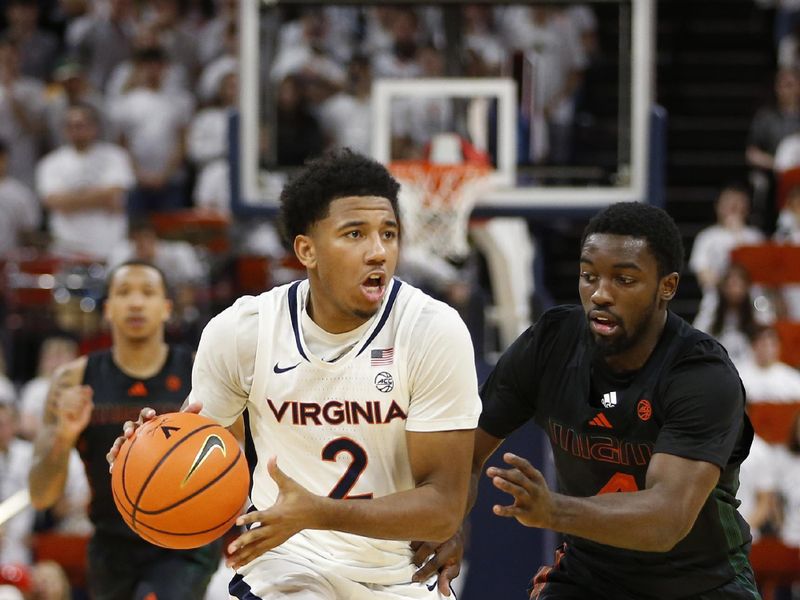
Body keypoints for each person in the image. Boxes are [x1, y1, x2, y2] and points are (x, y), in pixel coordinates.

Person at [109, 149, 482, 599]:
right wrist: (150, 456)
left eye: (389, 233)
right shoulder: (242, 332)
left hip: (401, 576)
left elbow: (443, 509)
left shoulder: (431, 330)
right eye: (354, 234)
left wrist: (318, 512)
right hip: (287, 567)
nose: (378, 251)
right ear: (307, 250)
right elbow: (209, 466)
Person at [414, 202, 760, 599]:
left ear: (667, 286)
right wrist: (450, 524)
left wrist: (554, 511)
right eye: (588, 276)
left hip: (702, 581)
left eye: (624, 280)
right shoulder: (551, 344)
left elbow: (668, 518)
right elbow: (464, 453)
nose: (600, 294)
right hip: (590, 576)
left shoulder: (700, 374)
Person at [28, 261, 221, 600]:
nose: (135, 302)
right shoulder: (73, 380)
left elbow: (232, 461)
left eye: (147, 293)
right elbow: (41, 495)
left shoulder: (199, 373)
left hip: (184, 541)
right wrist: (64, 436)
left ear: (166, 309)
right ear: (107, 310)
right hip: (111, 543)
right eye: (123, 293)